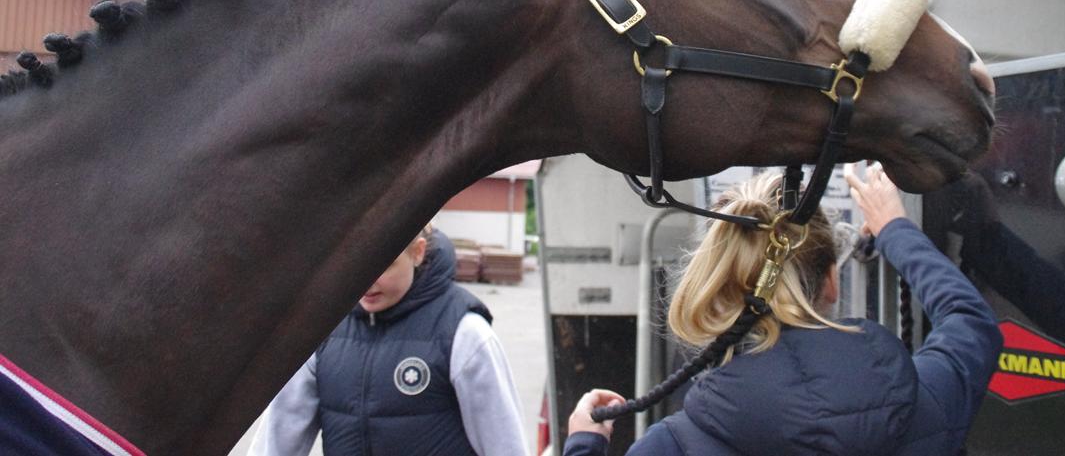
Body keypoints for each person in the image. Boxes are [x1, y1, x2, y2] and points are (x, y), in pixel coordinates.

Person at [564, 164, 1003, 456]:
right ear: (831, 280)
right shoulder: (925, 401)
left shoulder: (675, 445)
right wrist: (894, 229)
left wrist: (585, 442)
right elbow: (970, 320)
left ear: (723, 291)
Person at [247, 225, 529, 456]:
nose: (367, 283)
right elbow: (276, 440)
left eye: (384, 266)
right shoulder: (321, 331)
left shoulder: (465, 334)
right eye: (356, 266)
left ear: (417, 253)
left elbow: (505, 446)